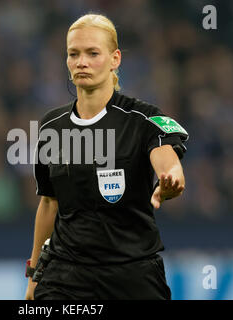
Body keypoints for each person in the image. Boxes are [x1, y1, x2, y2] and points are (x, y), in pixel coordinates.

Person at [25, 14, 188, 300]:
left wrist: (171, 179)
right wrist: (34, 277)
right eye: (73, 54)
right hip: (65, 276)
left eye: (92, 53)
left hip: (133, 275)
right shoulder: (52, 127)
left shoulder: (144, 119)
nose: (81, 62)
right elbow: (49, 203)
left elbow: (167, 159)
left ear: (115, 59)